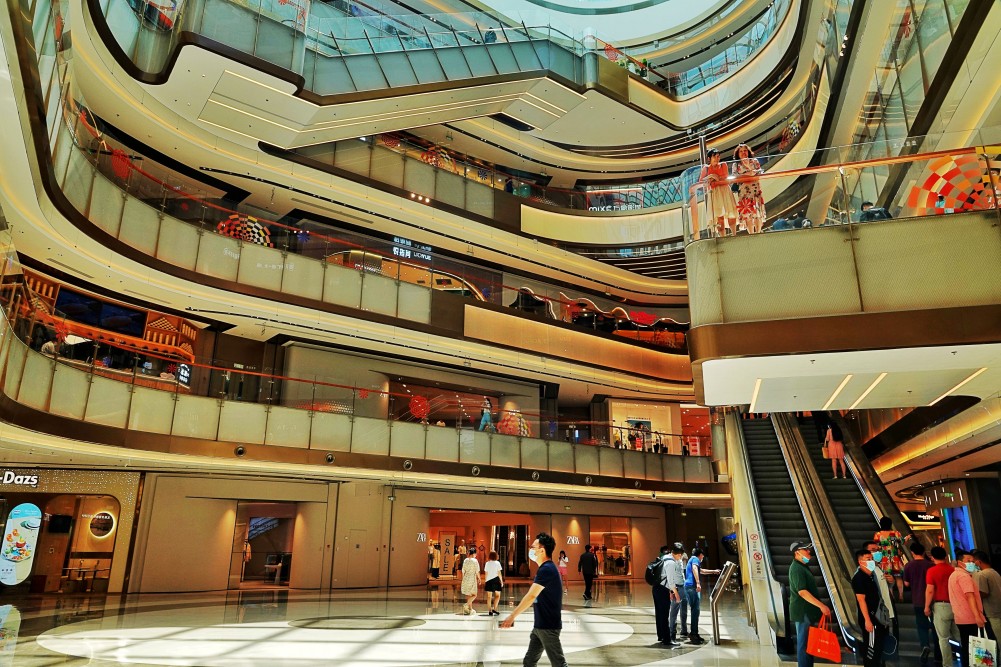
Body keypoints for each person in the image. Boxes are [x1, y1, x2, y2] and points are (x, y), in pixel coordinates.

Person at [500, 533, 568, 667]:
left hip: (548, 626)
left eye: (533, 547)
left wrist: (512, 616)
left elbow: (531, 596)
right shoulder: (545, 568)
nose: (530, 550)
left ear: (542, 550)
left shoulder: (547, 569)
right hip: (540, 625)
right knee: (529, 662)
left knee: (559, 664)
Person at [788, 541, 830, 667]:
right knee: (804, 644)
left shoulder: (802, 566)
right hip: (803, 612)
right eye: (805, 549)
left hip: (807, 612)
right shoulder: (796, 568)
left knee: (808, 644)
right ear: (797, 553)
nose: (808, 551)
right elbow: (802, 592)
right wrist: (821, 606)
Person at [951, 551, 995, 667]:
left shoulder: (953, 575)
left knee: (967, 647)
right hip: (971, 618)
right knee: (976, 648)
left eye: (972, 560)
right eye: (968, 561)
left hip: (961, 618)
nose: (972, 563)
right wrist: (977, 616)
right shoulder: (964, 577)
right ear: (960, 563)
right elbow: (970, 596)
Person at [853, 549, 889, 667]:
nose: (871, 561)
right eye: (868, 559)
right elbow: (861, 600)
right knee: (871, 649)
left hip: (877, 617)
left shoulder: (871, 576)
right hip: (870, 618)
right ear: (860, 562)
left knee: (878, 647)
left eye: (871, 559)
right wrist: (867, 620)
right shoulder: (859, 578)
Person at [902, 542, 936, 663]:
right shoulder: (931, 565)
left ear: (912, 553)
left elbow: (906, 583)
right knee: (935, 625)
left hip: (917, 600)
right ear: (923, 552)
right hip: (933, 600)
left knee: (921, 626)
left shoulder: (908, 566)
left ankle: (925, 645)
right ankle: (938, 650)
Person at [925, 545, 959, 664]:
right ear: (945, 556)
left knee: (944, 639)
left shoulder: (931, 571)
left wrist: (926, 606)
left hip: (941, 606)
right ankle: (967, 660)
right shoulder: (953, 570)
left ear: (932, 557)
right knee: (960, 636)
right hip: (956, 605)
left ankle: (948, 664)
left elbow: (930, 590)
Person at [684, 547, 720, 644]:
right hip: (692, 586)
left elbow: (701, 571)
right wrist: (698, 583)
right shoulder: (695, 559)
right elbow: (695, 568)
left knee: (695, 610)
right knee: (695, 610)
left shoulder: (692, 559)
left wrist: (713, 571)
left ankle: (694, 632)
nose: (703, 557)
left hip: (689, 586)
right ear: (700, 554)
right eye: (702, 555)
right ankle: (693, 633)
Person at [698, 148, 738, 236]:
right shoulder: (706, 168)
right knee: (719, 216)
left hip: (725, 190)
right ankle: (723, 237)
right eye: (714, 156)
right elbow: (701, 182)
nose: (717, 158)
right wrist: (711, 177)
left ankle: (734, 234)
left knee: (731, 212)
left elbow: (725, 177)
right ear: (709, 158)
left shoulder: (723, 165)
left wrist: (714, 177)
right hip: (714, 193)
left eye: (718, 156)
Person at [732, 143, 766, 234]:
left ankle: (758, 233)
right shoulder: (736, 165)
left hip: (755, 191)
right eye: (741, 151)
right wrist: (750, 174)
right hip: (744, 193)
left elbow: (758, 174)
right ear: (738, 153)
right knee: (747, 214)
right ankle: (751, 234)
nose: (743, 153)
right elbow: (737, 178)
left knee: (757, 213)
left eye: (745, 150)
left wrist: (748, 167)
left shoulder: (754, 161)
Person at [652, 545, 681, 647]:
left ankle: (661, 636)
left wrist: (670, 592)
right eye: (680, 556)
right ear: (678, 554)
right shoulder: (671, 563)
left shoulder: (664, 558)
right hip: (662, 590)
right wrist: (676, 594)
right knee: (664, 615)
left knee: (659, 614)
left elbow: (663, 577)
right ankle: (667, 639)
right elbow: (671, 581)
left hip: (656, 588)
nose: (680, 558)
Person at [873, 517, 905, 601]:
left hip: (885, 559)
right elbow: (902, 542)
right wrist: (907, 538)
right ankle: (901, 595)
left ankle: (891, 596)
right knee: (898, 577)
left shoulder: (878, 534)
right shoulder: (896, 533)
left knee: (888, 577)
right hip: (895, 558)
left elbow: (877, 546)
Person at [972, 550, 1001, 640]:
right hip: (997, 608)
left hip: (992, 611)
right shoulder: (994, 572)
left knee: (998, 637)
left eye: (973, 561)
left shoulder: (982, 574)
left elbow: (984, 593)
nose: (972, 564)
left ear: (978, 562)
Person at [667, 545, 688, 642]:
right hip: (675, 588)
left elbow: (681, 573)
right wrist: (672, 592)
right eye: (680, 555)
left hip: (682, 586)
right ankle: (672, 633)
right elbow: (669, 579)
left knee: (684, 610)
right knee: (674, 612)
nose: (681, 556)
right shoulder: (670, 562)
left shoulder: (679, 559)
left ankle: (684, 630)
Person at [459, 548, 481, 615]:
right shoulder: (475, 561)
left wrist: (463, 579)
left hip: (466, 578)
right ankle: (466, 605)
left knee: (468, 595)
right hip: (472, 578)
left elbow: (463, 570)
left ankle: (470, 609)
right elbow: (477, 571)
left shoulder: (465, 560)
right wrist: (479, 578)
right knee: (474, 595)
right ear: (474, 553)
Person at [483, 550, 504, 616]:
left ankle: (490, 610)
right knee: (497, 595)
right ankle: (494, 609)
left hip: (489, 580)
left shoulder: (487, 563)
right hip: (496, 580)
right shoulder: (497, 563)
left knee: (489, 597)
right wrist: (501, 581)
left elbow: (486, 573)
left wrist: (485, 581)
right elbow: (499, 573)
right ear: (496, 556)